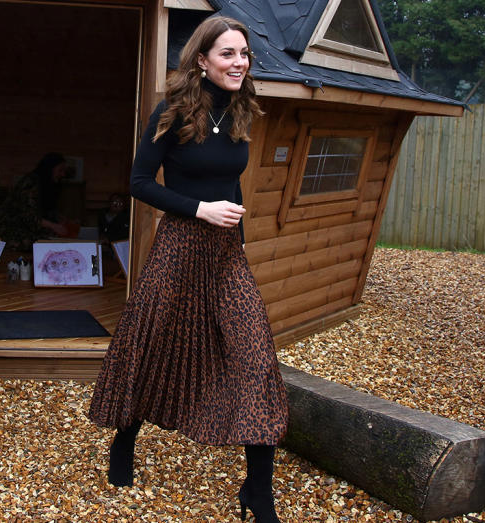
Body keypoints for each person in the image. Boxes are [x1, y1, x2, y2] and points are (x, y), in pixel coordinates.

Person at [87, 16, 287, 522]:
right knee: (154, 348)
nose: (239, 62)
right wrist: (199, 210)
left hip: (225, 258)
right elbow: (138, 181)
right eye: (228, 54)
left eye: (244, 53)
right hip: (178, 248)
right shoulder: (173, 112)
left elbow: (232, 185)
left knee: (256, 357)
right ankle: (124, 442)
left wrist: (235, 243)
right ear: (202, 60)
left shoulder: (242, 113)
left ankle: (257, 493)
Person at [0, 152, 74, 251]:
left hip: (26, 229)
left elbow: (45, 211)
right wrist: (54, 226)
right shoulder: (31, 183)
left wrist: (59, 218)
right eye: (60, 170)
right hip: (11, 231)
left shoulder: (48, 185)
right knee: (46, 244)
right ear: (50, 169)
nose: (63, 174)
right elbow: (29, 216)